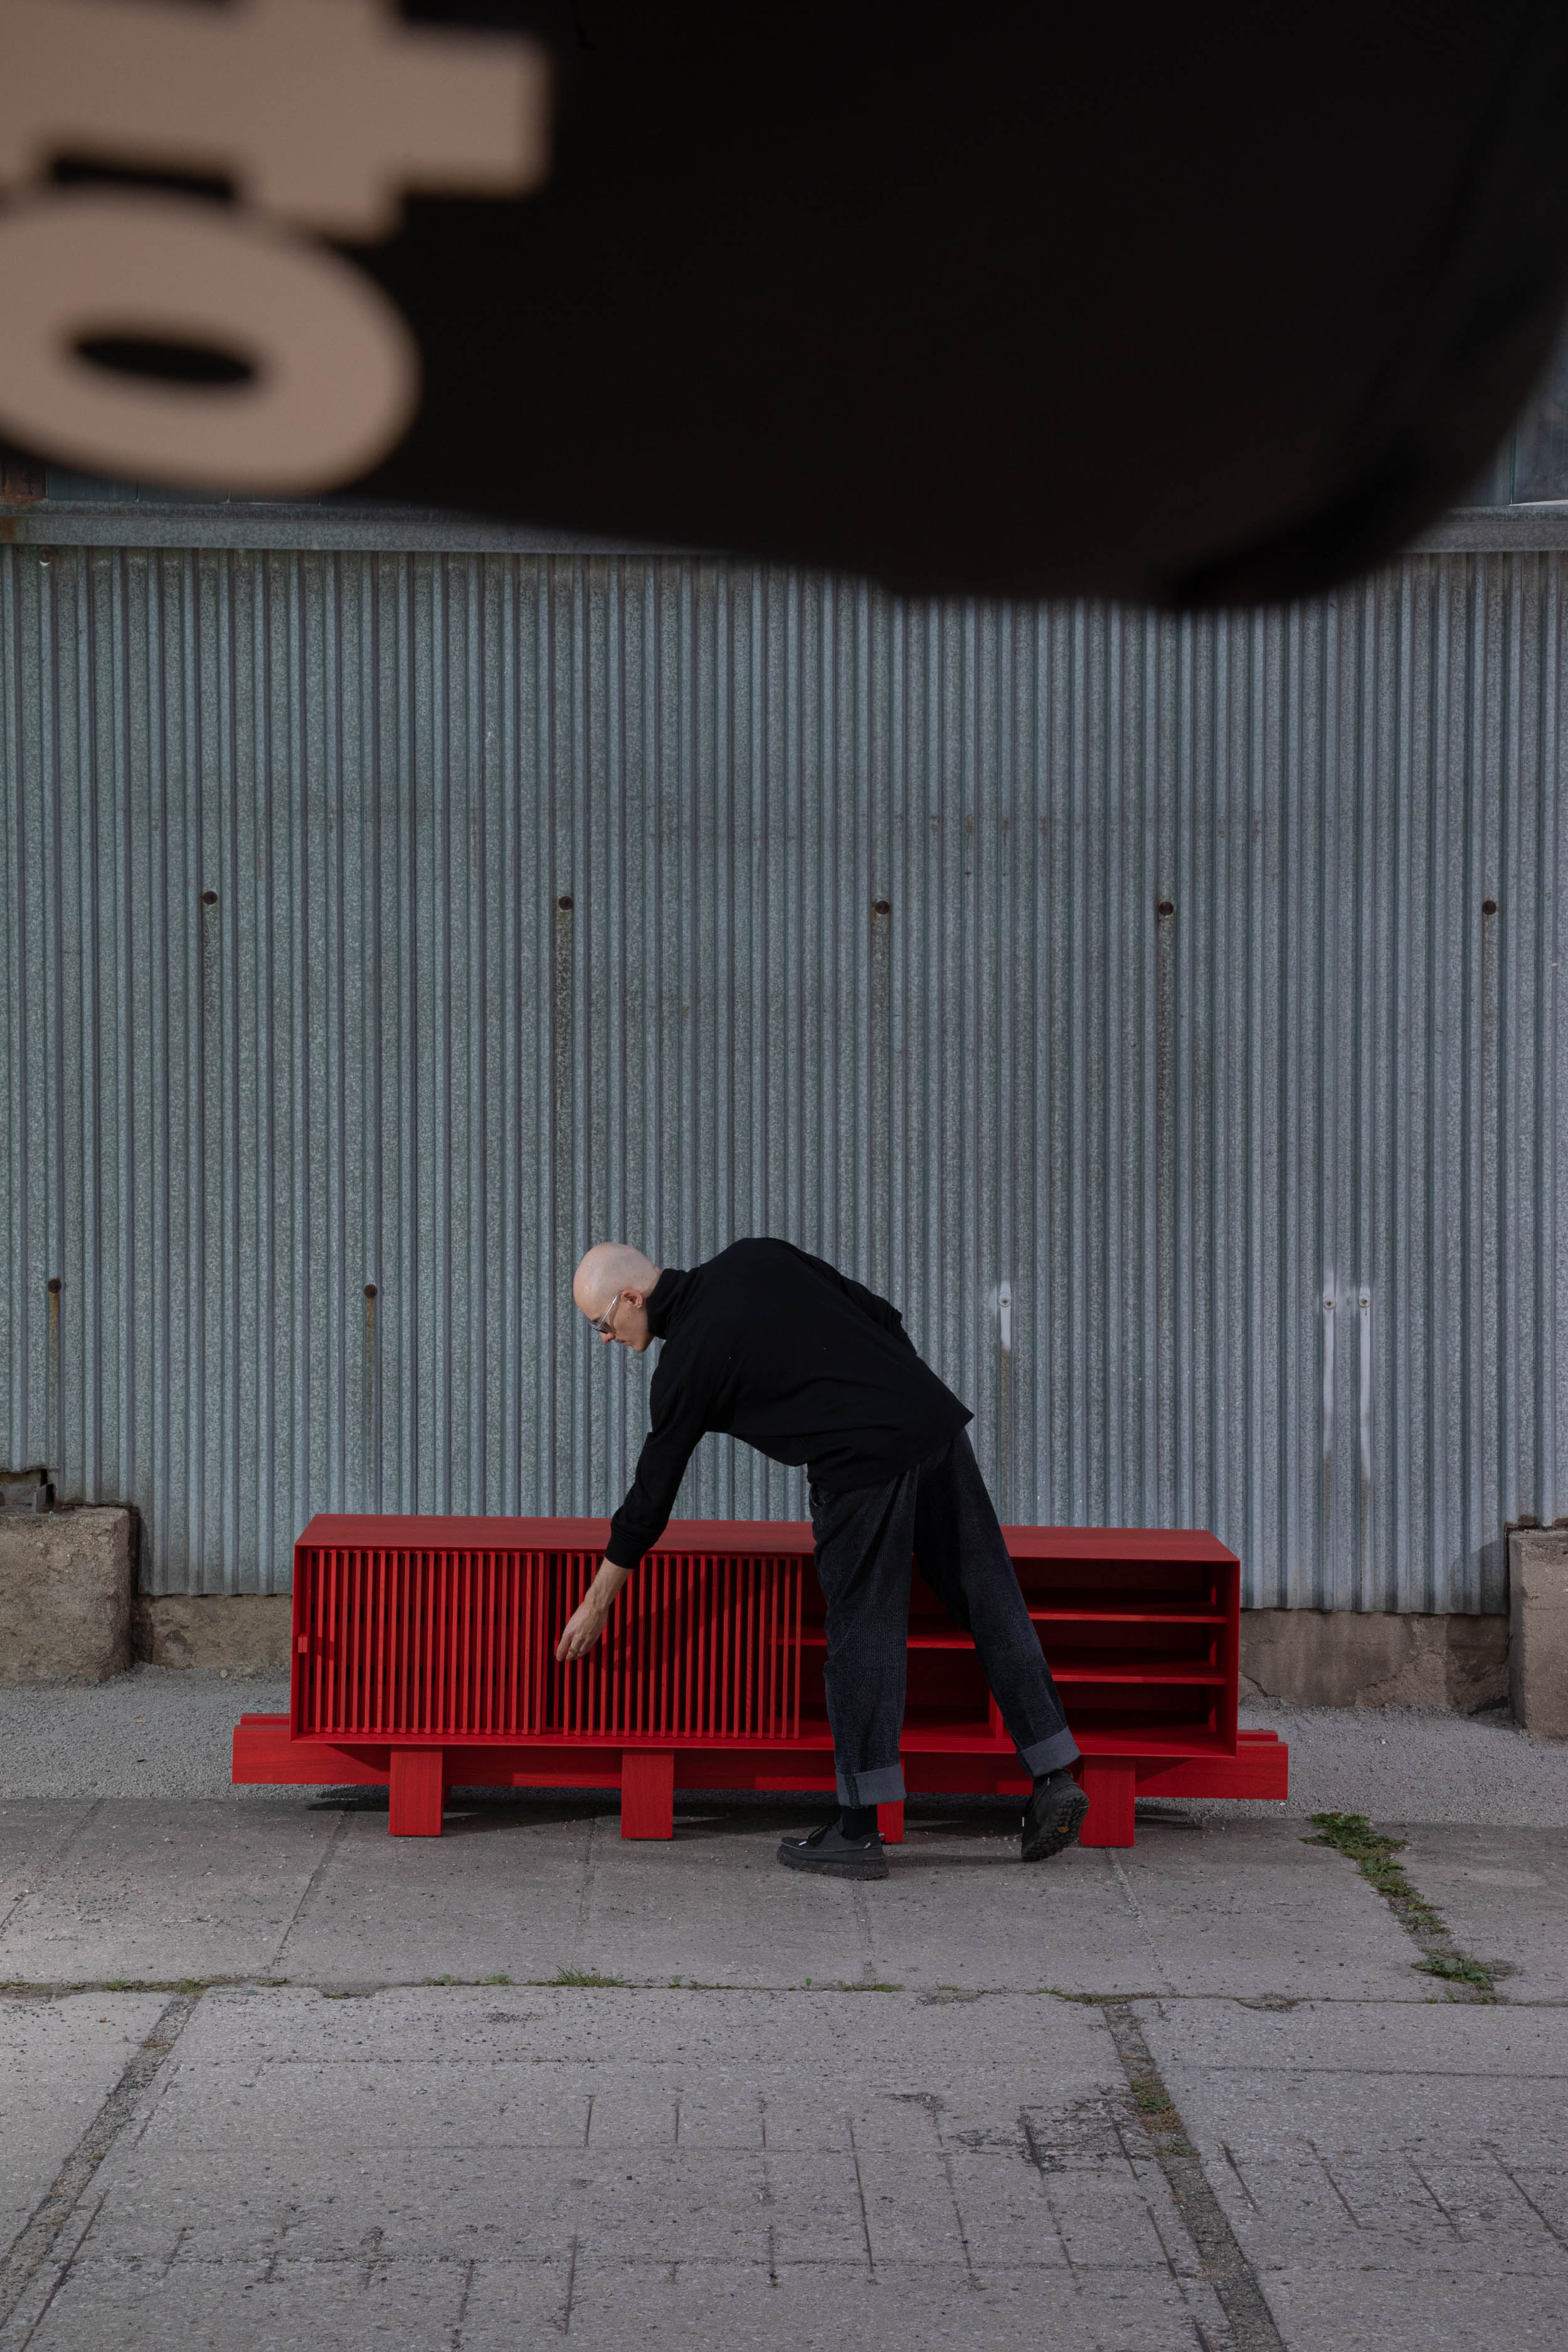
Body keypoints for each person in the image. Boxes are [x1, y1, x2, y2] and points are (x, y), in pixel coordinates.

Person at [561, 1236, 1088, 1880]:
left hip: (858, 1464)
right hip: (929, 1420)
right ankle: (1053, 1771)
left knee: (863, 1634)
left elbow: (652, 1495)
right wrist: (895, 1401)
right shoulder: (757, 1256)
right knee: (988, 1597)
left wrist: (596, 1603)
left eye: (602, 1323)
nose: (606, 1338)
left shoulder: (685, 1365)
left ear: (634, 1297)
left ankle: (858, 1828)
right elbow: (882, 1313)